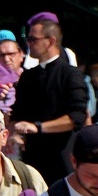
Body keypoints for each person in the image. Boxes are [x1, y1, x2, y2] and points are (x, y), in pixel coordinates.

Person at [10, 14, 88, 186]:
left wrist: (38, 127)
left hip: (62, 158)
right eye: (27, 39)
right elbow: (17, 112)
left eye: (33, 39)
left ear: (51, 41)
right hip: (32, 159)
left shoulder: (70, 74)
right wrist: (12, 132)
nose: (29, 43)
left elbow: (76, 117)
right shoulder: (28, 76)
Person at [0, 29, 25, 120]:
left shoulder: (32, 78)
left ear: (21, 55)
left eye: (11, 54)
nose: (6, 59)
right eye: (1, 55)